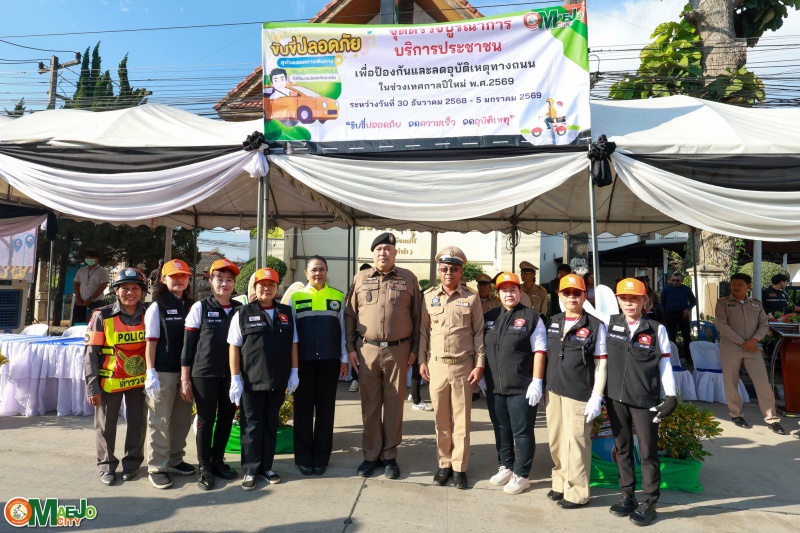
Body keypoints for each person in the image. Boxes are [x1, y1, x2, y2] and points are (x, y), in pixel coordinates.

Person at [345, 232, 422, 480]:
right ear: (373, 253)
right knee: (369, 405)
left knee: (394, 406)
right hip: (366, 350)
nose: (383, 253)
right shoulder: (360, 278)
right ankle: (370, 456)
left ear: (395, 253)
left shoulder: (408, 278)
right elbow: (350, 315)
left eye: (388, 249)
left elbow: (418, 317)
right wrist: (350, 348)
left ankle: (389, 456)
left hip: (398, 351)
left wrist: (414, 349)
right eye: (379, 249)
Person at [605, 278, 677, 527]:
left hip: (645, 400)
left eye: (634, 298)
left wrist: (671, 395)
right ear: (617, 300)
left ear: (644, 300)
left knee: (647, 451)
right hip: (615, 397)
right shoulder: (609, 324)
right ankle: (627, 496)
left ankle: (649, 501)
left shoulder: (656, 329)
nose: (629, 303)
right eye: (624, 298)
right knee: (622, 449)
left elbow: (665, 362)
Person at [418, 246, 485, 490]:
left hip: (462, 366)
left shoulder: (471, 298)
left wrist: (479, 364)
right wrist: (422, 360)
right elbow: (424, 332)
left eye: (454, 269)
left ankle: (459, 468)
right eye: (445, 268)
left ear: (461, 272)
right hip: (436, 365)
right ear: (439, 270)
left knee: (462, 421)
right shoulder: (428, 296)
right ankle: (444, 464)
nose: (449, 273)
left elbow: (479, 333)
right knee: (441, 420)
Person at [228, 267, 299, 491]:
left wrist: (294, 372)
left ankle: (266, 467)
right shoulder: (242, 313)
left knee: (270, 424)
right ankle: (250, 470)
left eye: (271, 285)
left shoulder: (286, 312)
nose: (266, 289)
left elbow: (294, 344)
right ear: (255, 288)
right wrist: (235, 378)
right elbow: (234, 347)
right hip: (251, 382)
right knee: (251, 426)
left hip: (277, 381)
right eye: (262, 285)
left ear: (277, 288)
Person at [544, 273, 607, 509]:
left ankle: (578, 492)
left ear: (584, 295)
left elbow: (601, 364)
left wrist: (597, 395)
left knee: (577, 443)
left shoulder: (595, 325)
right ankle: (560, 482)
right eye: (567, 293)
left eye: (576, 293)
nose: (572, 297)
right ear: (559, 295)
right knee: (556, 440)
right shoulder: (554, 320)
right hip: (553, 390)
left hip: (579, 392)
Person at [483, 272, 547, 495]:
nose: (508, 294)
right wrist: (481, 376)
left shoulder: (532, 317)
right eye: (504, 290)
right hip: (495, 386)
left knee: (522, 431)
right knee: (501, 428)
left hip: (522, 386)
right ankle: (506, 466)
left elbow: (540, 350)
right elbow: (483, 347)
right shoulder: (490, 316)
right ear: (498, 293)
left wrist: (537, 381)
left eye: (513, 290)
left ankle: (522, 474)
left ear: (520, 292)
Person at [181, 258, 243, 490]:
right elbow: (188, 346)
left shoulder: (240, 309)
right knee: (206, 420)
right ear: (211, 281)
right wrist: (185, 378)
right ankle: (204, 467)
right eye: (220, 279)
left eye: (229, 280)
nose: (224, 284)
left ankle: (218, 461)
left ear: (234, 284)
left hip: (231, 374)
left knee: (227, 418)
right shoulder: (200, 307)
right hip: (204, 373)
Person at [83, 268, 148, 486]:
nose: (130, 292)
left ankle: (132, 463)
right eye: (125, 288)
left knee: (138, 423)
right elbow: (90, 355)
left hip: (139, 381)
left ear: (142, 291)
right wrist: (92, 387)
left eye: (135, 288)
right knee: (105, 426)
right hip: (109, 381)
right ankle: (106, 465)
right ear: (116, 291)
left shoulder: (150, 313)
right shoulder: (101, 315)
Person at [290, 256, 348, 476]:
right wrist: (292, 367)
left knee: (325, 411)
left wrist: (344, 358)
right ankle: (304, 458)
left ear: (327, 271)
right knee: (303, 411)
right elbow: (291, 333)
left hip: (329, 362)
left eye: (322, 269)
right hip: (303, 363)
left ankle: (321, 458)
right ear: (306, 273)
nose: (318, 273)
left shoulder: (337, 296)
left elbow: (343, 330)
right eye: (314, 270)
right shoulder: (295, 297)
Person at [143, 259, 196, 489]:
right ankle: (157, 466)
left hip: (187, 373)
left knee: (182, 420)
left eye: (183, 276)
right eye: (174, 276)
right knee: (159, 420)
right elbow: (151, 342)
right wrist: (150, 372)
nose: (179, 280)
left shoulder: (193, 305)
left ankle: (175, 458)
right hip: (163, 372)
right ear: (163, 279)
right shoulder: (157, 307)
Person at [715, 273, 786, 435]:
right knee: (731, 381)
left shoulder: (756, 304)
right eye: (734, 284)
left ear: (749, 286)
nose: (736, 287)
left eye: (740, 284)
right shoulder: (723, 303)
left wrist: (754, 340)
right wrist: (743, 342)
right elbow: (722, 325)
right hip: (731, 347)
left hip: (753, 348)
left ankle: (772, 418)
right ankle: (736, 414)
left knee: (763, 383)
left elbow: (764, 324)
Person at [348, 263, 374, 393]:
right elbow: (350, 310)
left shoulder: (376, 286)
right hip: (358, 330)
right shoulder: (356, 286)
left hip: (369, 331)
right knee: (357, 357)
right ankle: (355, 379)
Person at [660, 272, 696, 360]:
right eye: (673, 280)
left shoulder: (686, 289)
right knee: (671, 336)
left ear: (681, 280)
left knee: (686, 336)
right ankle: (672, 358)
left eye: (677, 280)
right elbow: (662, 304)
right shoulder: (666, 289)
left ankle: (688, 358)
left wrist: (688, 309)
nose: (675, 282)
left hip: (683, 314)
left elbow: (693, 301)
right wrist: (664, 316)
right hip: (670, 314)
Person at [72, 250, 109, 326]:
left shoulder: (103, 271)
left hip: (96, 302)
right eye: (87, 257)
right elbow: (76, 284)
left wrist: (91, 299)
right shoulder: (81, 270)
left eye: (91, 257)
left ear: (97, 259)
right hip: (81, 302)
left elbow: (102, 286)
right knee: (77, 324)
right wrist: (78, 298)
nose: (89, 259)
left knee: (91, 324)